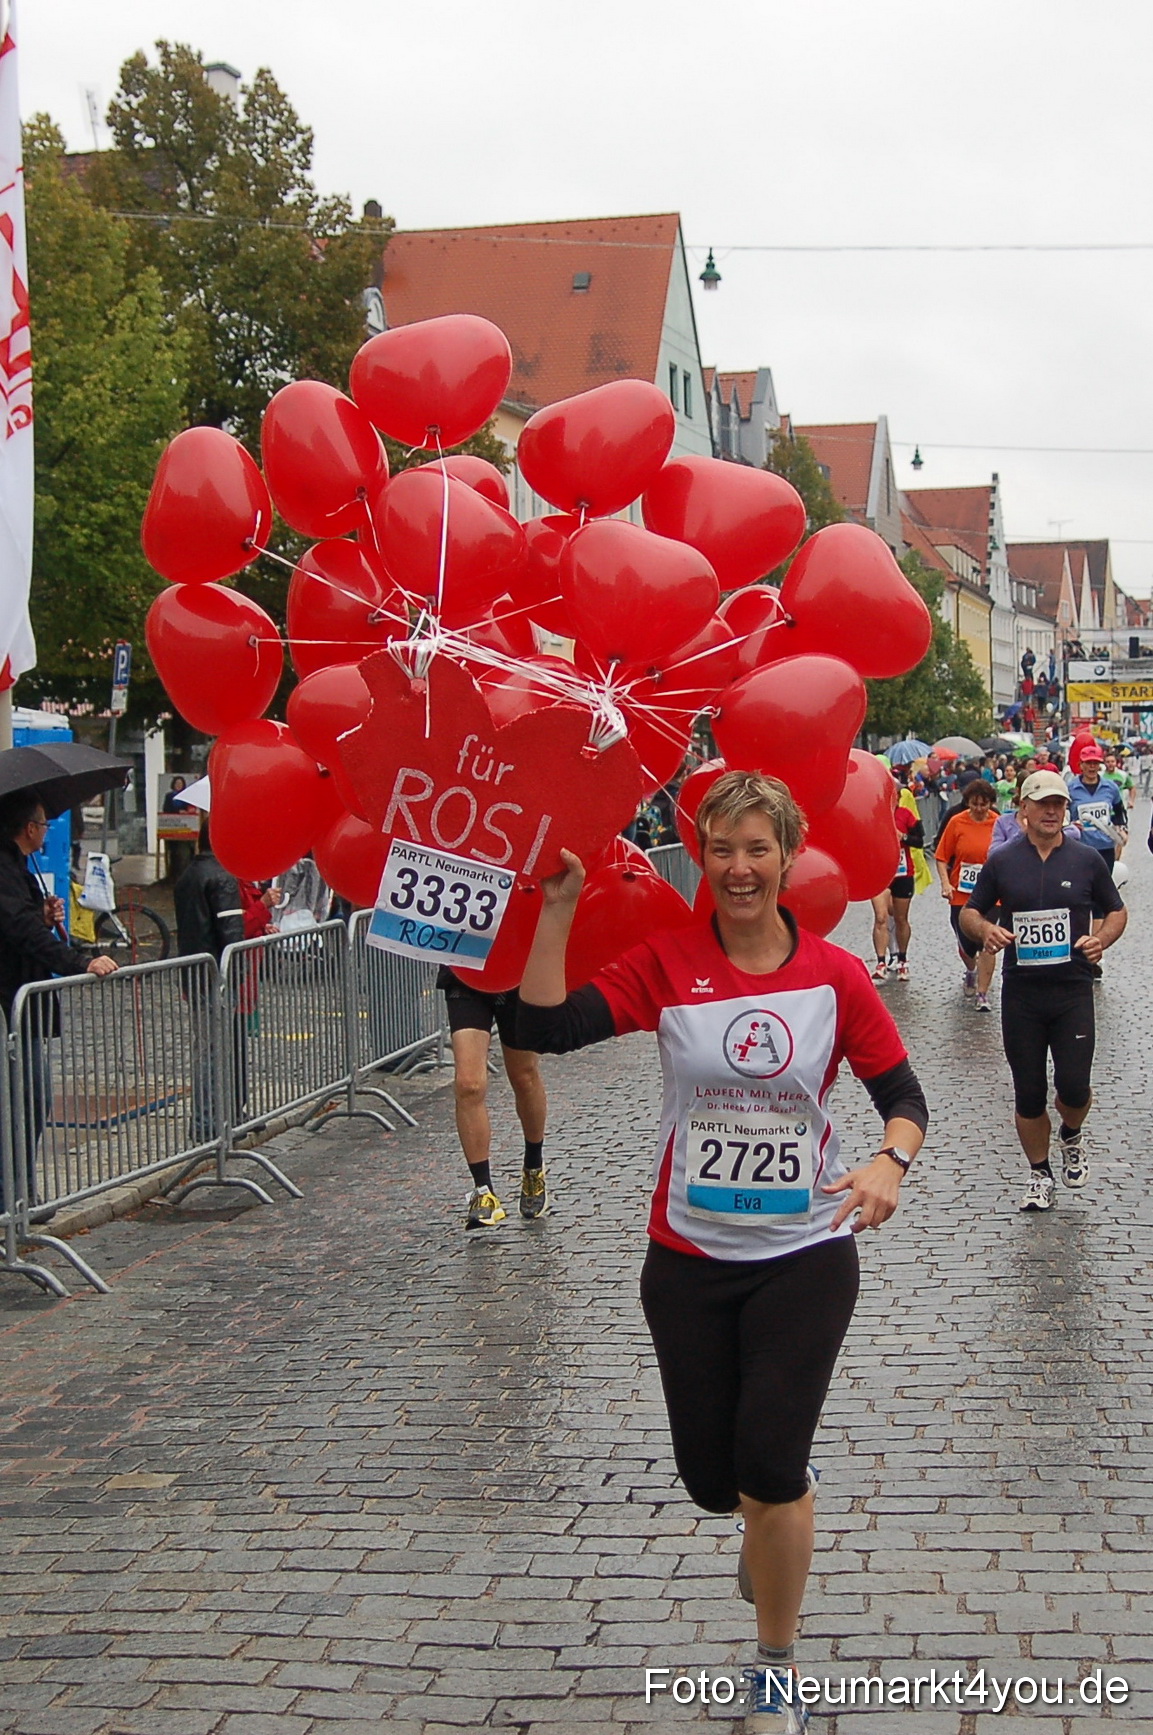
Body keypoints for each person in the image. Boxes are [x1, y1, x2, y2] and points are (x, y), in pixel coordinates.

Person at [515, 772, 927, 1732]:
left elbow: (904, 1096)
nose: (738, 868)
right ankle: (760, 1511)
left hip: (805, 1254)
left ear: (787, 857)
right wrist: (557, 910)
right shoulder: (664, 961)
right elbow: (543, 1027)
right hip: (689, 1259)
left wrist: (886, 1164)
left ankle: (773, 1673)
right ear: (700, 858)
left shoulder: (834, 974)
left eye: (756, 849)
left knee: (771, 1462)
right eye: (720, 850)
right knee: (714, 1480)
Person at [961, 770, 1126, 1212]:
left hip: (1072, 990)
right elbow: (970, 913)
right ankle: (1040, 1173)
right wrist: (986, 930)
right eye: (1044, 804)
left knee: (1074, 1087)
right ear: (1025, 809)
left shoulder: (1087, 859)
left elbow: (1116, 910)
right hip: (1023, 994)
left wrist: (1101, 940)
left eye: (1059, 804)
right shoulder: (1003, 860)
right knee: (1029, 1092)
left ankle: (1071, 1132)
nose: (1053, 811)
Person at [0, 790, 117, 1213]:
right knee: (20, 1102)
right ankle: (11, 1196)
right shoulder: (4, 869)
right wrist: (78, 961)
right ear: (30, 828)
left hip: (24, 1003)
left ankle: (21, 1189)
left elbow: (26, 924)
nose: (48, 831)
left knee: (33, 1100)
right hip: (9, 999)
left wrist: (45, 916)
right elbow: (18, 932)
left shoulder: (20, 868)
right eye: (45, 824)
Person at [437, 968, 548, 1228]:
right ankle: (482, 1191)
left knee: (524, 1076)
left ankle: (534, 1166)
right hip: (466, 970)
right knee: (468, 1084)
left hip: (518, 972)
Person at [174, 820, 246, 1143]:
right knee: (214, 1052)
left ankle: (208, 1119)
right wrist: (237, 973)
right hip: (216, 973)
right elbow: (231, 933)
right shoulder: (222, 877)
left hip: (195, 973)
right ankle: (208, 1122)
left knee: (205, 1049)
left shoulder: (188, 875)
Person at [934, 779, 999, 1010]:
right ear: (967, 803)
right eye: (974, 804)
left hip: (992, 893)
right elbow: (941, 856)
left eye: (984, 804)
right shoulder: (956, 822)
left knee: (988, 940)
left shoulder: (998, 823)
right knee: (966, 943)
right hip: (961, 894)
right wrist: (945, 884)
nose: (980, 809)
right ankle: (971, 969)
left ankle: (983, 994)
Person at [868, 797, 923, 982]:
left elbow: (919, 840)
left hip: (903, 873)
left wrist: (904, 837)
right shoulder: (873, 814)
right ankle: (881, 962)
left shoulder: (905, 814)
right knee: (881, 917)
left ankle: (902, 959)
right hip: (879, 874)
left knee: (900, 919)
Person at [1067, 745, 1128, 870]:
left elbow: (1119, 811)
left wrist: (1122, 829)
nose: (1092, 766)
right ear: (1081, 765)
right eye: (1089, 763)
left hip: (1106, 846)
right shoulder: (1071, 789)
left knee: (1104, 885)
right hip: (1081, 847)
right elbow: (1063, 814)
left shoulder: (1111, 788)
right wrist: (1069, 826)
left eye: (1096, 763)